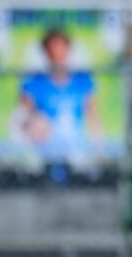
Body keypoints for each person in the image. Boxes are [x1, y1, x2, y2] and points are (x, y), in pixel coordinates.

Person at [12, 28, 100, 172]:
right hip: (43, 155)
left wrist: (96, 151)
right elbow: (19, 119)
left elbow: (93, 118)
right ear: (45, 51)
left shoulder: (83, 81)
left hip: (77, 155)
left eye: (61, 46)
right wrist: (34, 124)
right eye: (52, 48)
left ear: (69, 49)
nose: (57, 53)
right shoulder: (34, 82)